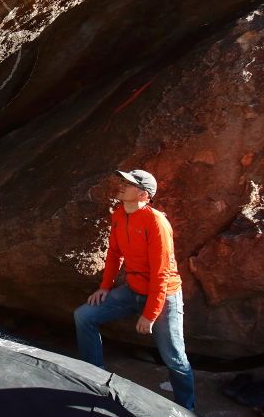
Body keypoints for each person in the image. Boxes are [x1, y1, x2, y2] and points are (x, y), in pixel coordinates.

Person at [73, 169, 195, 411]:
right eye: (123, 181)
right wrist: (105, 287)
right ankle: (94, 380)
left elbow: (162, 273)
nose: (121, 185)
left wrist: (150, 314)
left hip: (163, 295)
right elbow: (115, 253)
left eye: (127, 183)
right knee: (84, 316)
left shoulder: (156, 222)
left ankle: (186, 408)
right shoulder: (119, 214)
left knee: (174, 357)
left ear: (143, 194)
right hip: (133, 290)